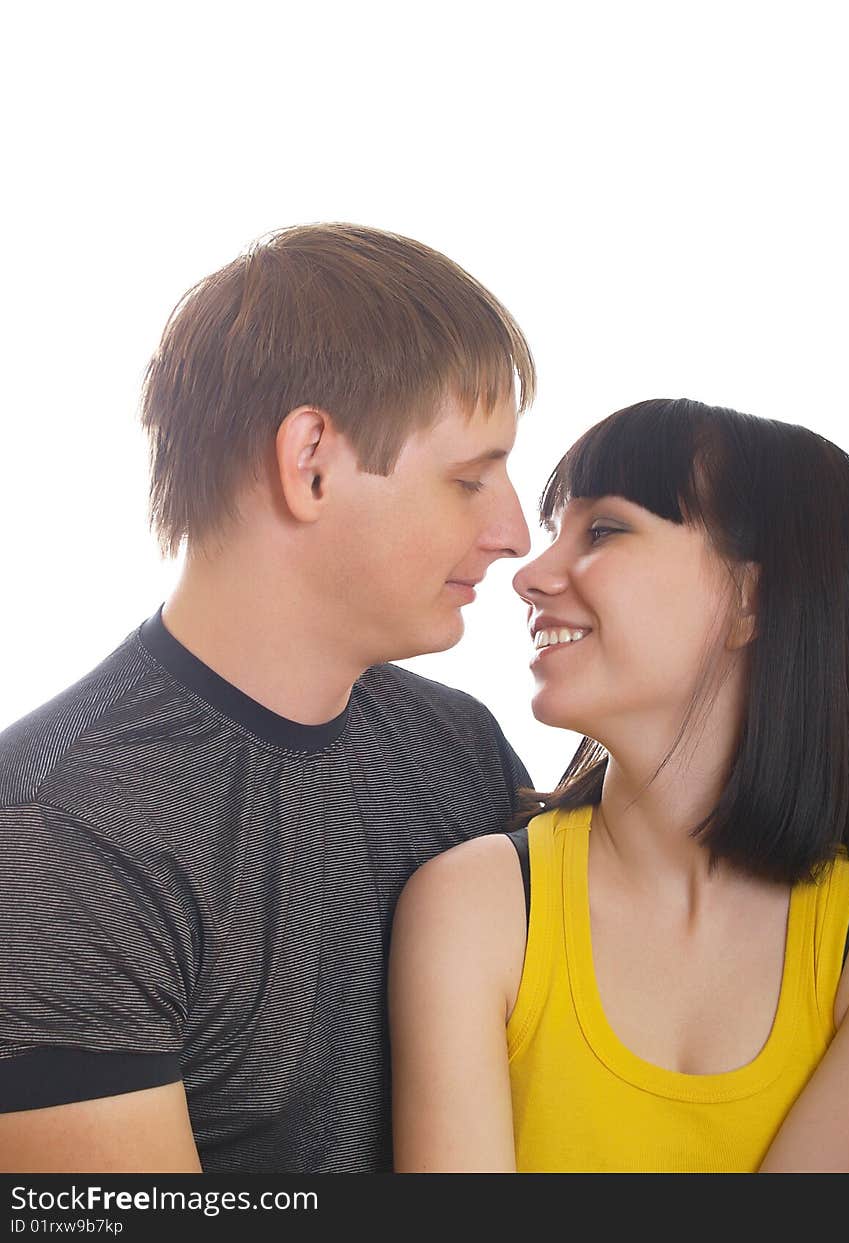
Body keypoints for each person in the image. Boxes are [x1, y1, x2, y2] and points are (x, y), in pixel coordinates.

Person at [0, 223, 537, 1173]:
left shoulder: (459, 748)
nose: (514, 529)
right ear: (312, 461)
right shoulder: (53, 837)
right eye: (469, 478)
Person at [389, 397, 849, 1173]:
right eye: (560, 531)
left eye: (604, 530)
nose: (531, 574)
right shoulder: (475, 905)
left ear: (752, 598)